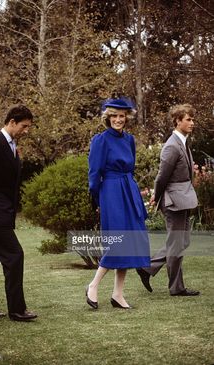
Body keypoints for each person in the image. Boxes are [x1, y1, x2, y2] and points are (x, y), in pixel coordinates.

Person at [86, 98, 150, 309]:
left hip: (128, 189)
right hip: (111, 191)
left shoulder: (130, 140)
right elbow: (94, 174)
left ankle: (118, 294)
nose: (118, 120)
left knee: (129, 242)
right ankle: (93, 286)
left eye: (122, 116)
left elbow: (130, 167)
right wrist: (97, 199)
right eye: (114, 116)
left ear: (126, 117)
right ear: (107, 117)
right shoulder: (100, 140)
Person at [0, 105, 38, 321]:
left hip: (1, 213)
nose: (26, 131)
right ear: (12, 121)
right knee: (15, 255)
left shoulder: (10, 146)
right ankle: (17, 310)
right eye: (24, 126)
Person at [137, 103, 200, 296]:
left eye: (192, 119)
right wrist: (156, 196)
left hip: (183, 199)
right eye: (188, 119)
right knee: (177, 242)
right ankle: (174, 286)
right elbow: (162, 176)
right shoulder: (172, 146)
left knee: (181, 242)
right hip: (173, 201)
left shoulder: (182, 142)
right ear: (177, 121)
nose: (192, 123)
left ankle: (149, 269)